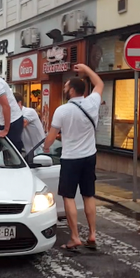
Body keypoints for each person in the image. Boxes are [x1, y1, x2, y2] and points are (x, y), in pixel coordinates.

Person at [43, 64, 104, 252]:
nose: (63, 90)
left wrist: (45, 148)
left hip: (70, 158)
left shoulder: (62, 110)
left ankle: (75, 237)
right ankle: (92, 234)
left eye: (65, 87)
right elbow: (99, 83)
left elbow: (51, 138)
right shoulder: (93, 102)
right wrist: (87, 69)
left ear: (71, 90)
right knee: (88, 195)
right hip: (89, 157)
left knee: (68, 196)